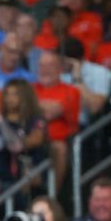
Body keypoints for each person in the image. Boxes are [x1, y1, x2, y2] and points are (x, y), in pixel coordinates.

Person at [34, 51, 81, 192]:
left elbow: (50, 113)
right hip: (33, 140)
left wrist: (37, 105)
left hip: (59, 142)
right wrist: (47, 106)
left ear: (60, 69)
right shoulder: (31, 88)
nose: (45, 70)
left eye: (50, 65)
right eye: (42, 66)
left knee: (58, 148)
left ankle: (52, 194)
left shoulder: (71, 91)